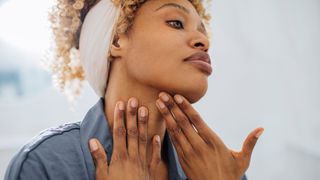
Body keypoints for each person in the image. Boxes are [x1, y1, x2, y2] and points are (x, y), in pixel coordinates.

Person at [5, 0, 264, 179]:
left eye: (203, 31)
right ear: (116, 39)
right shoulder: (45, 165)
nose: (204, 41)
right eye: (176, 22)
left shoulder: (222, 172)